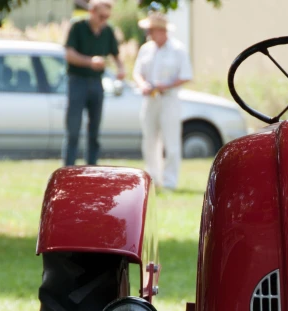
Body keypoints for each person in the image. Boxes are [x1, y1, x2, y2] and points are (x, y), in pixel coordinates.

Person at [133, 12, 193, 190]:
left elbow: (186, 75)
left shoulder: (178, 49)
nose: (149, 33)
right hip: (150, 100)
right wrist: (143, 84)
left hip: (169, 99)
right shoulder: (146, 49)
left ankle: (169, 182)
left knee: (171, 141)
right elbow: (137, 72)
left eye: (152, 30)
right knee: (149, 140)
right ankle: (151, 178)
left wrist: (165, 86)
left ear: (162, 30)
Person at [64, 0, 125, 166]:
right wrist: (90, 62)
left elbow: (116, 54)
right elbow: (69, 54)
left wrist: (121, 68)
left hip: (97, 83)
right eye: (101, 16)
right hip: (77, 82)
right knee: (73, 131)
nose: (104, 20)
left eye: (107, 17)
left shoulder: (108, 31)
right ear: (92, 11)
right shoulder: (78, 27)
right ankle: (69, 169)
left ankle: (91, 169)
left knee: (94, 132)